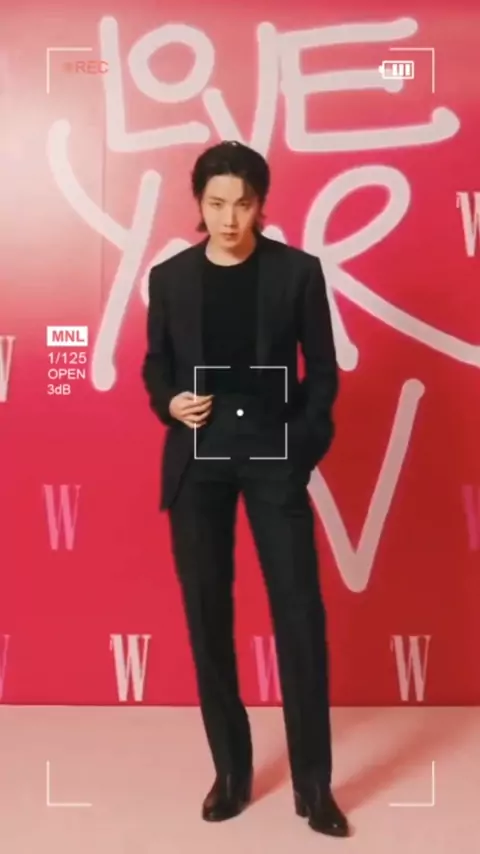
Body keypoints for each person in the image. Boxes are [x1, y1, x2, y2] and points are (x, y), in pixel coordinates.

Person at [141, 141, 349, 837]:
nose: (229, 218)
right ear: (199, 204)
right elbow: (156, 366)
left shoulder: (298, 273)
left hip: (273, 458)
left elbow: (323, 374)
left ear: (262, 203)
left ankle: (314, 786)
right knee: (208, 616)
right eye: (216, 203)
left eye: (243, 203)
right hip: (197, 462)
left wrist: (299, 452)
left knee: (300, 615)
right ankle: (231, 774)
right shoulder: (169, 278)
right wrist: (170, 403)